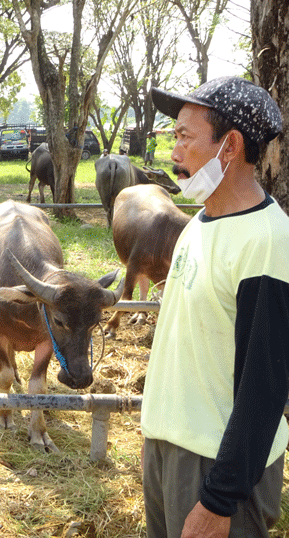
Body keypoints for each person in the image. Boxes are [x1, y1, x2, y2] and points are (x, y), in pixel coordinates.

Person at [141, 76, 288, 538]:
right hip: (167, 446)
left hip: (214, 464)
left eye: (184, 137)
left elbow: (264, 385)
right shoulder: (199, 224)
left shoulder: (267, 242)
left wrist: (219, 498)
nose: (173, 152)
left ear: (230, 146)